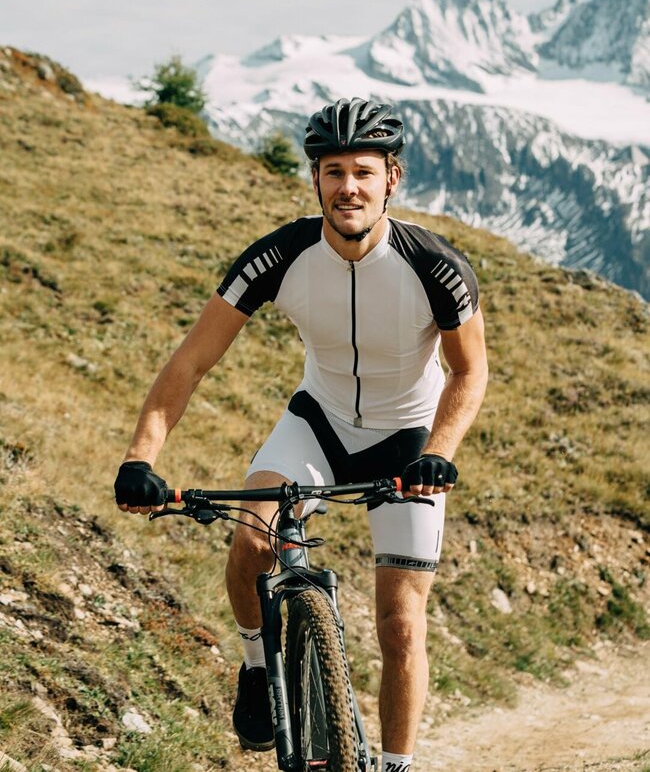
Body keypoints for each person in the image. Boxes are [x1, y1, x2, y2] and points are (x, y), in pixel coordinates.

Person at [114, 97, 488, 772]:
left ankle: (398, 764)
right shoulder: (279, 256)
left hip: (408, 437)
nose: (349, 186)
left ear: (390, 180)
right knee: (251, 538)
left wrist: (440, 451)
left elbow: (469, 370)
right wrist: (141, 457)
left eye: (364, 172)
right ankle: (258, 665)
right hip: (317, 424)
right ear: (315, 179)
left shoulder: (435, 265)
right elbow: (190, 361)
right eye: (334, 170)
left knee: (400, 623)